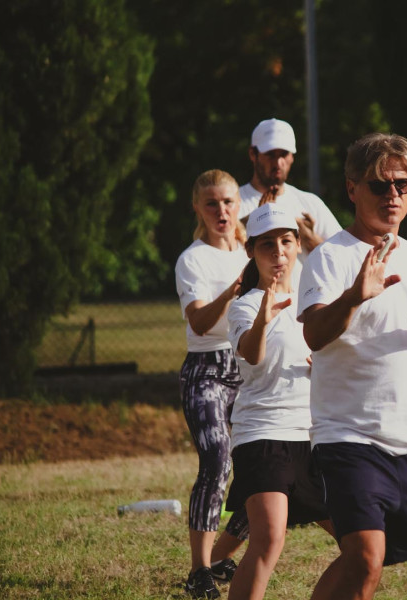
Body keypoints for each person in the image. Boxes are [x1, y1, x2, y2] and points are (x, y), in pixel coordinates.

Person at [297, 133, 407, 600]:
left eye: (403, 184)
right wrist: (354, 295)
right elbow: (313, 334)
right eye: (380, 185)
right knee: (365, 563)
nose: (393, 195)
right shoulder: (328, 259)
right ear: (352, 188)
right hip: (352, 440)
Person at [224, 202, 334, 600]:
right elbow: (251, 354)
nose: (279, 252)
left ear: (298, 245)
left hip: (315, 435)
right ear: (252, 250)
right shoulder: (244, 305)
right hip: (263, 434)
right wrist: (263, 319)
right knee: (269, 540)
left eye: (286, 241)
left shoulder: (315, 301)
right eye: (267, 244)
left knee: (363, 540)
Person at [175, 169, 250, 599]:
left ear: (238, 204)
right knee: (218, 459)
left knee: (267, 470)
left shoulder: (253, 247)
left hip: (250, 366)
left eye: (227, 202)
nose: (221, 211)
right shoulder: (192, 259)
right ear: (198, 208)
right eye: (211, 203)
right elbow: (201, 323)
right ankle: (200, 571)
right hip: (206, 369)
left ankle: (221, 556)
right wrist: (231, 291)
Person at [239, 118, 341, 265]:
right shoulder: (230, 203)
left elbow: (342, 258)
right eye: (270, 154)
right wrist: (254, 220)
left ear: (292, 157)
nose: (278, 162)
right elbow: (217, 254)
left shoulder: (310, 203)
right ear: (252, 154)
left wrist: (309, 238)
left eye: (284, 154)